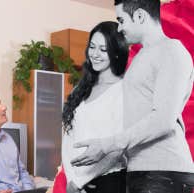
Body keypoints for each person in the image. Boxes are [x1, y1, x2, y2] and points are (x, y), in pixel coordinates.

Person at [71, 0, 194, 193]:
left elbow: (163, 120)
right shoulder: (140, 58)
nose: (119, 28)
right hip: (141, 172)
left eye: (121, 20)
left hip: (164, 172)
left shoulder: (172, 51)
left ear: (139, 16)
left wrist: (106, 145)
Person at [62, 21, 129, 193]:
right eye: (92, 47)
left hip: (109, 182)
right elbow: (68, 138)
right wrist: (71, 180)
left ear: (116, 53)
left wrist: (79, 182)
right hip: (75, 182)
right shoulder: (81, 88)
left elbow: (118, 148)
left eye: (103, 49)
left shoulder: (123, 91)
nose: (95, 54)